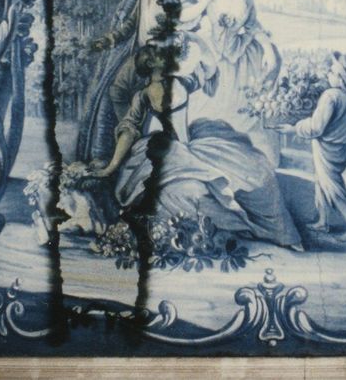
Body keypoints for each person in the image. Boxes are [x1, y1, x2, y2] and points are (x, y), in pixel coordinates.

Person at [91, 41, 302, 251]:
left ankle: (277, 232)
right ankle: (250, 229)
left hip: (190, 143)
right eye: (160, 54)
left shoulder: (178, 82)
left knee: (253, 172)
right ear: (152, 64)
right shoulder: (145, 95)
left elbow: (207, 71)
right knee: (201, 185)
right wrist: (112, 166)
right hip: (170, 148)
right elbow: (129, 128)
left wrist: (197, 42)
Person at [75, 0, 195, 164]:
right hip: (142, 54)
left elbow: (191, 12)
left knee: (154, 99)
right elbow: (132, 23)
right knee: (117, 90)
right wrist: (110, 39)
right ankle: (132, 137)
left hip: (164, 54)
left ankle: (153, 143)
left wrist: (173, 26)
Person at [182, 0, 280, 136]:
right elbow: (188, 16)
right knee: (203, 101)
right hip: (211, 52)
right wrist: (205, 0)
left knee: (233, 107)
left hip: (236, 56)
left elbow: (253, 27)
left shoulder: (247, 2)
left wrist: (267, 49)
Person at [277, 52, 346, 241]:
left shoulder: (330, 96)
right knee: (321, 182)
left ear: (341, 77)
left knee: (334, 188)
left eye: (332, 71)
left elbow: (316, 127)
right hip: (341, 148)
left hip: (327, 148)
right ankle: (323, 221)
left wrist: (294, 128)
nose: (328, 74)